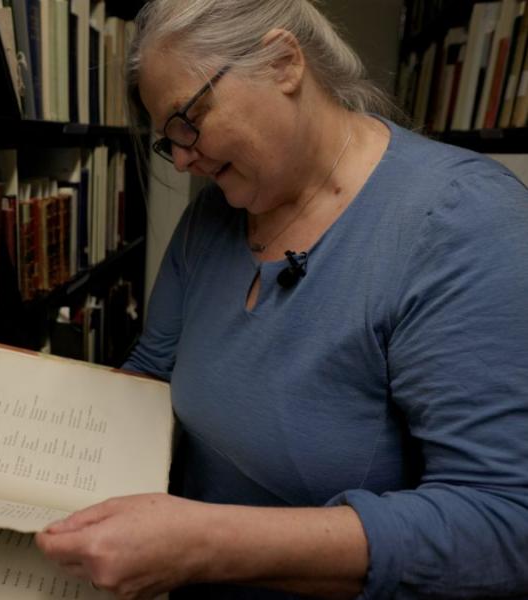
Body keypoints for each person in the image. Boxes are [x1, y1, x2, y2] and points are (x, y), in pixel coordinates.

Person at [34, 1, 528, 599]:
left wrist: (206, 544)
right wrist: (11, 444)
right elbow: (151, 372)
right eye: (169, 140)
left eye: (188, 119)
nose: (183, 159)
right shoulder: (212, 216)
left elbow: (503, 524)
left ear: (283, 62)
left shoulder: (462, 221)